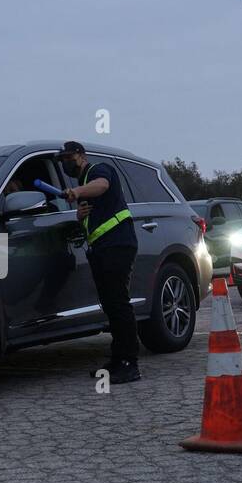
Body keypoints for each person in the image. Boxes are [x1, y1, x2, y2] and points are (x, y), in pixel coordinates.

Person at [58, 141, 141, 384]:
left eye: (68, 157)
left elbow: (102, 185)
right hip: (102, 249)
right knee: (111, 306)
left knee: (118, 303)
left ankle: (129, 363)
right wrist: (80, 215)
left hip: (117, 245)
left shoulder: (98, 170)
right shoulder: (84, 183)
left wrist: (78, 192)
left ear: (81, 155)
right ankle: (118, 359)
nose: (65, 163)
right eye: (62, 160)